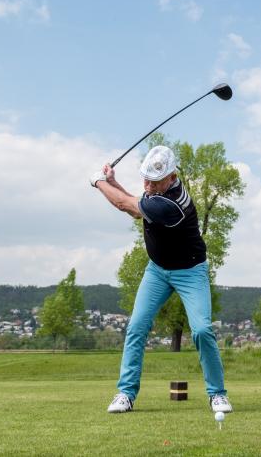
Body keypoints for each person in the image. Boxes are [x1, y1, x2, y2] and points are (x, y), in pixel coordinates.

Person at [90, 145, 232, 414]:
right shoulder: (156, 193)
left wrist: (98, 182)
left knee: (202, 330)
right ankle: (125, 393)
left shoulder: (173, 204)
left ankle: (217, 394)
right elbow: (136, 208)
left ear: (172, 177)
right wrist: (113, 182)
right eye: (145, 179)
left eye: (154, 182)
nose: (148, 186)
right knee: (136, 326)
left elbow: (124, 204)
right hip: (157, 270)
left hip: (190, 272)